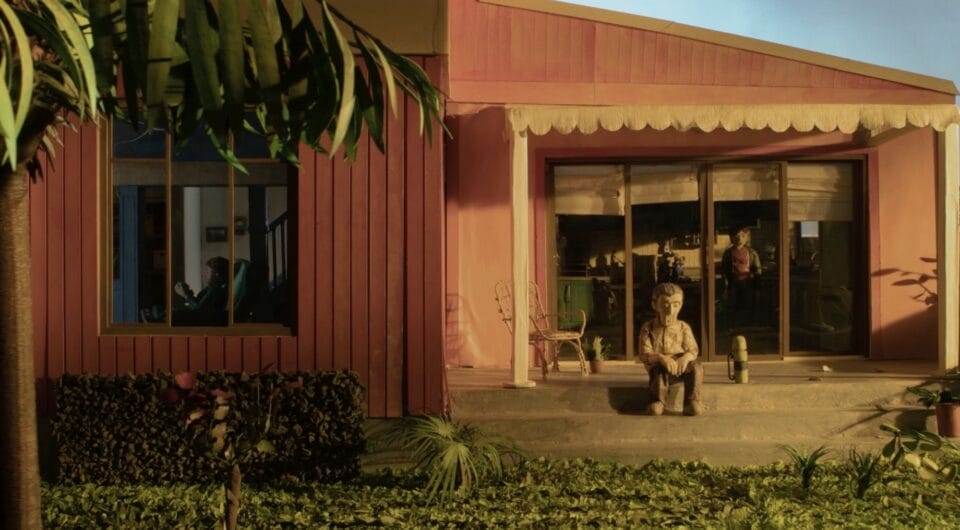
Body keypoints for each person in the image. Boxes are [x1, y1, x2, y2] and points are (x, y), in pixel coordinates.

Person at [638, 282, 703, 416]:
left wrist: (685, 358)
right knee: (658, 369)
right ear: (655, 305)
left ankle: (691, 401)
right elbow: (644, 354)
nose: (670, 310)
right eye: (665, 304)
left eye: (676, 304)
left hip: (680, 366)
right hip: (660, 366)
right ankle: (658, 401)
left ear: (681, 305)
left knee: (696, 367)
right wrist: (661, 358)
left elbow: (693, 350)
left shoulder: (683, 327)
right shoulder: (648, 327)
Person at [720, 227, 762, 328]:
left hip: (747, 284)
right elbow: (724, 271)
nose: (739, 238)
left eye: (742, 236)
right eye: (736, 236)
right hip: (733, 284)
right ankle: (733, 326)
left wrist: (757, 286)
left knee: (747, 305)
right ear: (731, 238)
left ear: (746, 238)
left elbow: (757, 270)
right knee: (733, 306)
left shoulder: (752, 252)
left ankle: (747, 326)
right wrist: (726, 286)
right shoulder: (728, 253)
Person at [172, 256, 229, 326]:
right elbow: (199, 304)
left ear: (217, 274)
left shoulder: (216, 291)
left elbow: (199, 310)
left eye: (207, 271)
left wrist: (185, 295)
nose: (204, 274)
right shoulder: (208, 289)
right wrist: (188, 295)